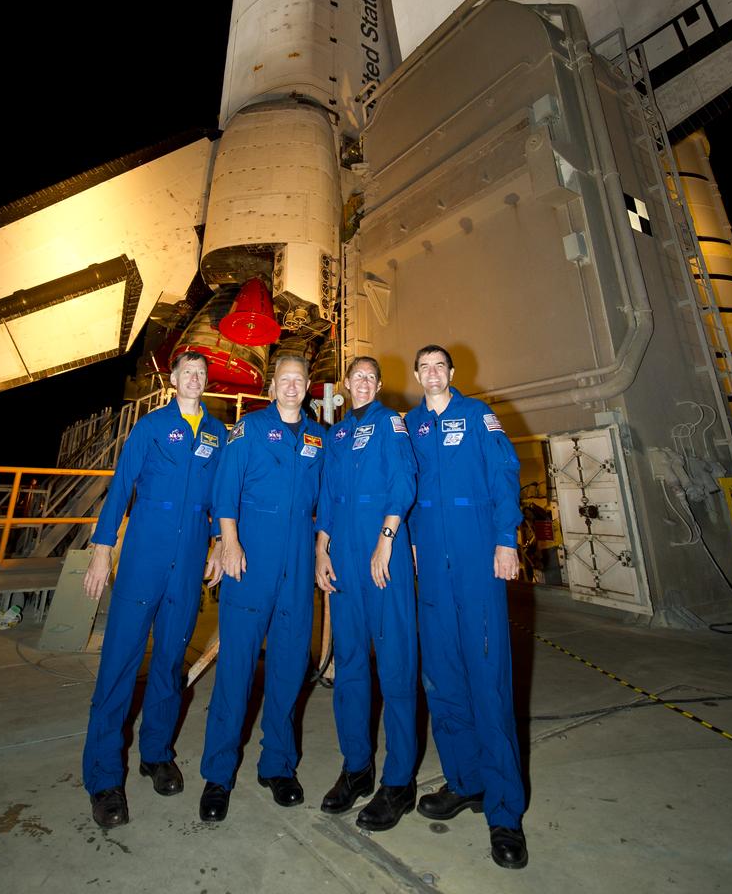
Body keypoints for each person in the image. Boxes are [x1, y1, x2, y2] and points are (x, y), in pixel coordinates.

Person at [82, 351, 226, 829]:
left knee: (169, 663)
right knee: (120, 665)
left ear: (206, 382)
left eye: (201, 374)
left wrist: (221, 542)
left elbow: (222, 498)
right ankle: (104, 779)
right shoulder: (150, 426)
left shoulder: (216, 433)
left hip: (186, 567)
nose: (194, 379)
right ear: (174, 378)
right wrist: (102, 550)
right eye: (187, 372)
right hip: (144, 559)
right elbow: (121, 488)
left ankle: (156, 754)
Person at [405, 345, 528, 870]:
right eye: (424, 368)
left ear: (452, 374)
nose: (433, 374)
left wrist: (506, 539)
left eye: (440, 367)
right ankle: (465, 783)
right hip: (430, 565)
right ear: (416, 376)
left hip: (478, 558)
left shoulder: (478, 416)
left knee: (488, 681)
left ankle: (504, 812)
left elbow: (505, 476)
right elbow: (401, 489)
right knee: (443, 679)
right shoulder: (408, 424)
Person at [198, 354, 325, 822]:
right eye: (284, 380)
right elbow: (224, 490)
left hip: (297, 563)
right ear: (272, 387)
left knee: (290, 668)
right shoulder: (247, 429)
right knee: (235, 668)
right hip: (250, 559)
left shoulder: (319, 437)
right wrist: (226, 541)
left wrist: (324, 550)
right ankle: (218, 774)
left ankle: (278, 766)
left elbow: (328, 499)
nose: (292, 387)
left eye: (299, 380)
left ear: (309, 387)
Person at [315, 356, 418, 830]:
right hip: (344, 564)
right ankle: (357, 767)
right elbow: (327, 499)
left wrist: (387, 538)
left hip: (382, 561)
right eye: (355, 378)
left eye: (369, 378)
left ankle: (398, 781)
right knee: (350, 666)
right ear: (345, 385)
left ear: (377, 385)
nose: (361, 384)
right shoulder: (334, 437)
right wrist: (322, 550)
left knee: (395, 666)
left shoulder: (390, 424)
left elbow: (403, 481)